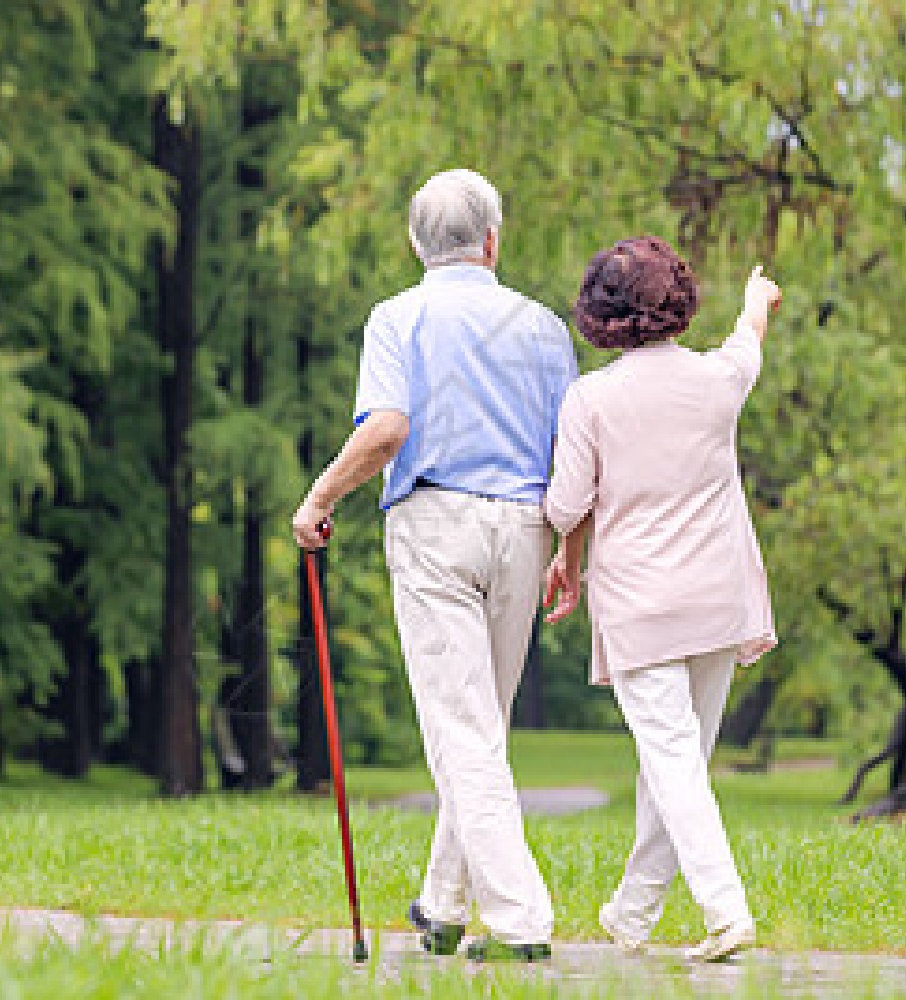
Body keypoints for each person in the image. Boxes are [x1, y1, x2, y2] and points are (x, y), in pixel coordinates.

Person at [292, 168, 578, 962]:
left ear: (417, 244)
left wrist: (319, 497)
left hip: (435, 523)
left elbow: (387, 429)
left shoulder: (398, 317)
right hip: (525, 529)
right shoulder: (546, 328)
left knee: (463, 731)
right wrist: (570, 552)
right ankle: (445, 905)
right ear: (493, 240)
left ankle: (520, 920)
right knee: (480, 727)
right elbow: (572, 455)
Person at [541, 236, 781, 962]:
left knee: (673, 761)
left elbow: (563, 505)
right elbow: (749, 340)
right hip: (718, 598)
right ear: (676, 301)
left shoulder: (591, 400)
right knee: (677, 763)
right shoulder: (717, 381)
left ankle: (725, 909)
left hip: (643, 605)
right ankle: (634, 912)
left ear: (599, 313)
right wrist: (754, 299)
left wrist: (566, 547)